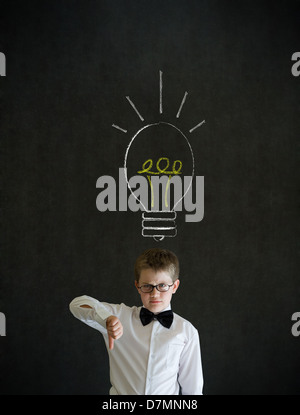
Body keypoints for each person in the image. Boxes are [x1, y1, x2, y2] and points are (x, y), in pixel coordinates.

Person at [69, 248, 204, 395]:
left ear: (175, 286)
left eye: (162, 286)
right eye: (147, 286)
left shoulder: (186, 331)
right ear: (137, 286)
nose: (154, 294)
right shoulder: (119, 316)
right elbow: (76, 305)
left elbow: (193, 390)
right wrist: (106, 318)